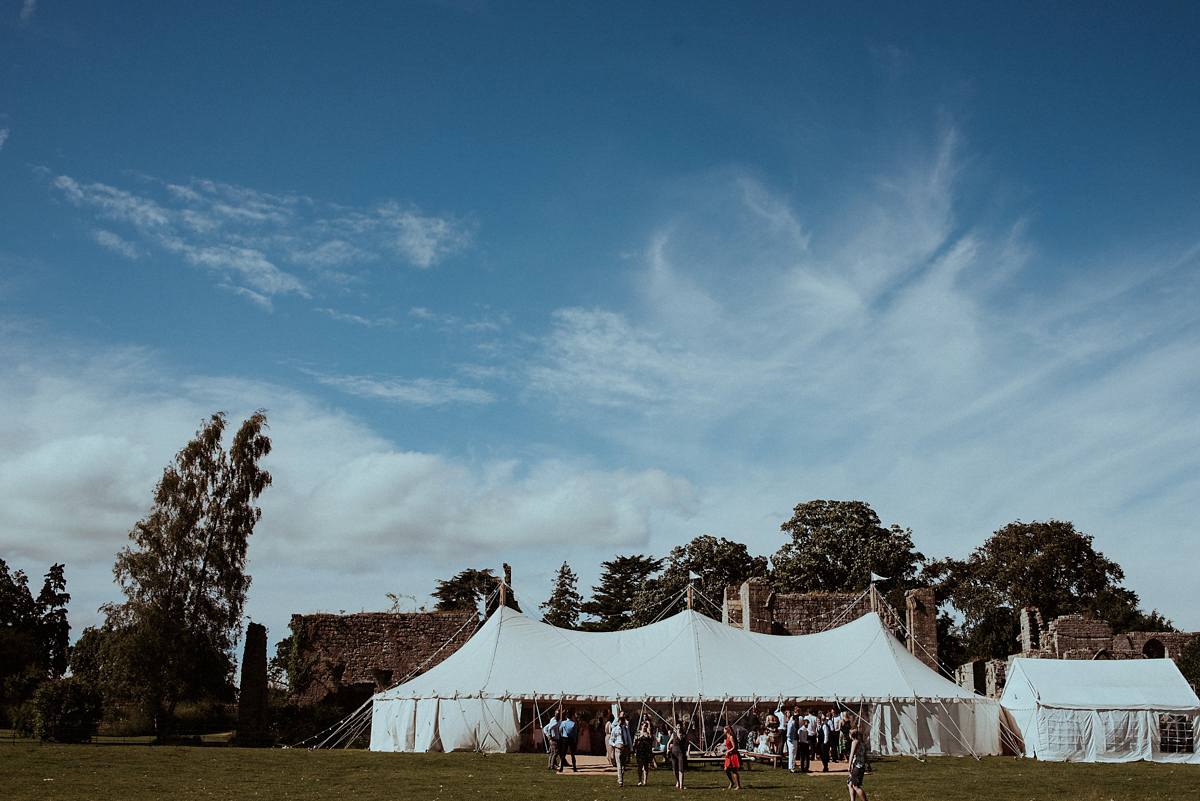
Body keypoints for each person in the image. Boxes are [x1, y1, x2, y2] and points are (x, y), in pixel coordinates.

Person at [610, 710, 633, 787]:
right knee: (619, 765)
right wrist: (615, 745)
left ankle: (621, 778)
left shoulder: (625, 729)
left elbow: (628, 738)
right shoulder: (615, 729)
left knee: (623, 765)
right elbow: (611, 740)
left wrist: (631, 748)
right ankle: (620, 781)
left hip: (625, 747)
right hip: (618, 748)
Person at [846, 727, 868, 801]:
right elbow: (865, 755)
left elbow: (852, 754)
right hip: (861, 765)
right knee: (850, 784)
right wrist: (868, 764)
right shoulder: (862, 743)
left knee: (856, 786)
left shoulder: (855, 742)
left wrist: (849, 765)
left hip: (857, 765)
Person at [634, 719, 655, 786]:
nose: (645, 727)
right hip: (640, 752)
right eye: (644, 726)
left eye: (646, 726)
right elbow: (635, 742)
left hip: (646, 752)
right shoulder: (638, 733)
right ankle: (639, 780)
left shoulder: (648, 734)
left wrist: (649, 732)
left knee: (646, 766)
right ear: (641, 726)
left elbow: (652, 739)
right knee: (640, 766)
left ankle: (645, 780)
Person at [668, 720, 688, 790]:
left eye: (680, 726)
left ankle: (681, 785)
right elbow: (669, 742)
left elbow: (688, 743)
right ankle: (678, 781)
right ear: (676, 727)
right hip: (674, 752)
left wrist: (688, 752)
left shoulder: (684, 735)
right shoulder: (674, 734)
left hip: (681, 753)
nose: (679, 727)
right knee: (675, 769)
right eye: (678, 726)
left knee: (681, 769)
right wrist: (668, 749)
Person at [723, 723, 742, 790]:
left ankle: (738, 785)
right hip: (729, 755)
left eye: (724, 729)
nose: (723, 731)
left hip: (733, 755)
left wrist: (728, 751)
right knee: (726, 769)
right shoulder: (727, 737)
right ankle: (731, 782)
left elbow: (734, 747)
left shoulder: (731, 737)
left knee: (734, 771)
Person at [559, 708, 577, 772]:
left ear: (566, 716)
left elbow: (560, 730)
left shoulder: (563, 723)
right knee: (572, 753)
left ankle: (561, 767)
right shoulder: (573, 723)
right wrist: (574, 739)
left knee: (563, 753)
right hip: (571, 738)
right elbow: (575, 733)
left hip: (565, 738)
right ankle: (574, 767)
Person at [786, 707, 800, 772]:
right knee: (791, 753)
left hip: (794, 739)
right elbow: (788, 732)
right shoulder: (791, 724)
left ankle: (793, 766)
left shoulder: (795, 724)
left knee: (794, 754)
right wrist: (789, 739)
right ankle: (791, 767)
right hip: (791, 740)